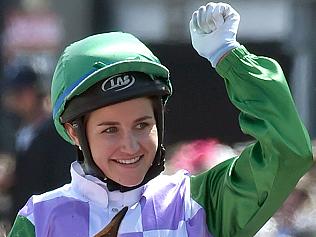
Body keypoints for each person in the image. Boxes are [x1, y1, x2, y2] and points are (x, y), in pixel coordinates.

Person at [8, 2, 313, 237]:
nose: (130, 145)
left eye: (142, 125)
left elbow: (286, 152)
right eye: (110, 129)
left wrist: (229, 57)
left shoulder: (199, 203)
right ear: (74, 132)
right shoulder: (39, 220)